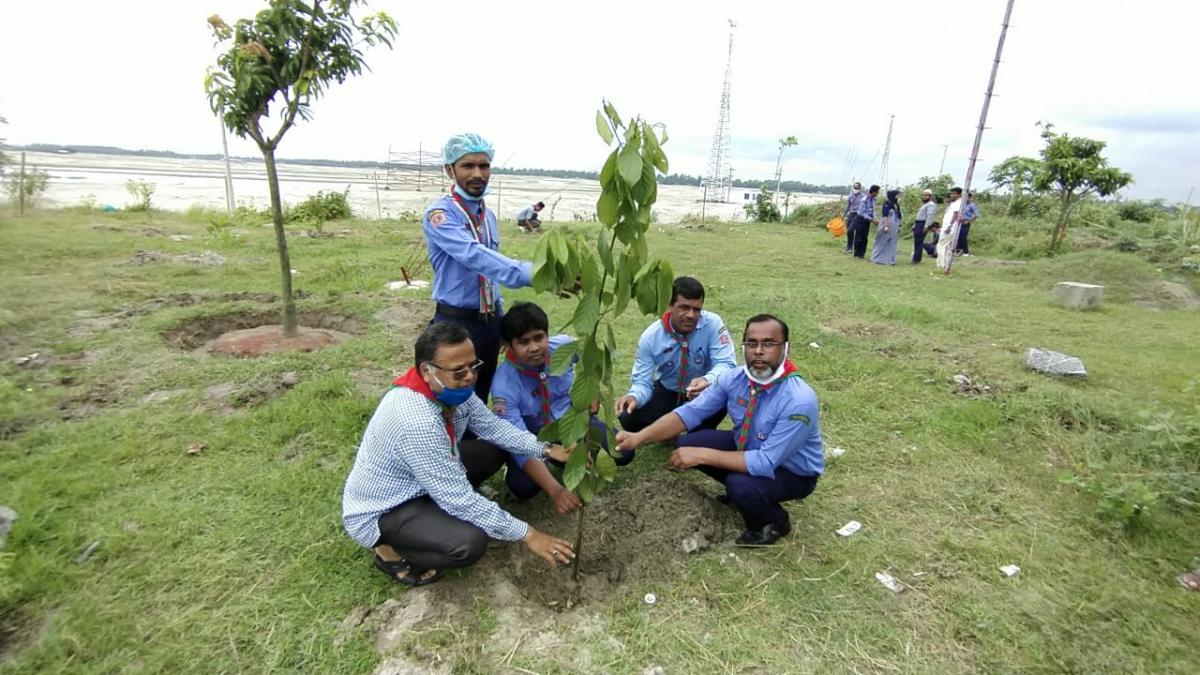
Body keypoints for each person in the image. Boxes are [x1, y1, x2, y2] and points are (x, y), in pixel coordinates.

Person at [341, 322, 576, 587]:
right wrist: (530, 534)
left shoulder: (449, 390)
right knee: (469, 543)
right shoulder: (417, 422)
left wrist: (546, 449)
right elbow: (459, 500)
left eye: (473, 366)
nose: (470, 377)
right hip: (389, 505)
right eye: (459, 371)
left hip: (422, 478)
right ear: (427, 371)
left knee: (492, 450)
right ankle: (389, 551)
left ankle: (434, 515)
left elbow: (493, 427)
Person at [616, 314, 823, 546]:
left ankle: (773, 521)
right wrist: (638, 438)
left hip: (791, 471)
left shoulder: (799, 400)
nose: (758, 351)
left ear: (785, 348)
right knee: (688, 443)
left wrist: (701, 455)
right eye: (751, 343)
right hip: (748, 445)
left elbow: (765, 461)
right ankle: (747, 492)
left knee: (738, 485)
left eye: (768, 344)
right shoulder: (734, 379)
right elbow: (690, 412)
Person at [424, 133, 534, 400]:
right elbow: (474, 255)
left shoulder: (488, 215)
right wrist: (533, 273)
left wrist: (500, 317)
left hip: (489, 321)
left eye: (484, 166)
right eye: (468, 166)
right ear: (449, 170)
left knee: (481, 392)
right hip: (456, 321)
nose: (477, 174)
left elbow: (491, 269)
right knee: (452, 395)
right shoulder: (440, 216)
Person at [491, 302, 612, 508]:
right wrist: (556, 490)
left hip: (571, 424)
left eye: (539, 337)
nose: (534, 347)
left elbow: (590, 357)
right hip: (533, 438)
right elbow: (516, 439)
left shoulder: (564, 346)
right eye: (524, 342)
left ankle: (568, 459)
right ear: (509, 345)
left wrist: (591, 389)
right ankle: (543, 464)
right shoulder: (503, 386)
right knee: (523, 487)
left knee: (621, 451)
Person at [614, 277, 738, 444]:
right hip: (669, 391)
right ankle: (672, 431)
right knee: (628, 416)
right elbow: (642, 382)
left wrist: (707, 380)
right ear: (669, 305)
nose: (691, 315)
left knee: (724, 391)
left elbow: (727, 364)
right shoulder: (651, 337)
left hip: (702, 393)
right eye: (684, 307)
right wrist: (634, 396)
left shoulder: (712, 324)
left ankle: (694, 435)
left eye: (697, 309)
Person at [936, 187, 963, 275]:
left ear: (959, 194)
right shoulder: (954, 203)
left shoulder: (958, 203)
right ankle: (946, 265)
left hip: (951, 228)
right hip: (948, 227)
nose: (951, 195)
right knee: (947, 247)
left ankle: (942, 264)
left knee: (941, 245)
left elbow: (956, 215)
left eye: (954, 194)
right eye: (951, 193)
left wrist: (949, 226)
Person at [871, 188, 901, 265]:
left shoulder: (896, 205)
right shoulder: (887, 204)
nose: (898, 197)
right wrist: (886, 226)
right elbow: (885, 216)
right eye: (897, 195)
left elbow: (898, 216)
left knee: (892, 243)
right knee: (882, 241)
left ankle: (889, 260)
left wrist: (899, 227)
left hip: (894, 226)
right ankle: (877, 258)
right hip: (886, 225)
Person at [849, 185, 880, 259]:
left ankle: (862, 253)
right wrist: (871, 219)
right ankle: (857, 253)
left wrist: (875, 218)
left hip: (867, 220)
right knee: (859, 237)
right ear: (874, 192)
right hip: (861, 219)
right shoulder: (864, 199)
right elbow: (861, 212)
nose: (878, 193)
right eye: (877, 192)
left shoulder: (873, 200)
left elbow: (872, 211)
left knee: (865, 237)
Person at [911, 189, 938, 264]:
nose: (924, 197)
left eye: (926, 195)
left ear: (930, 196)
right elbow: (919, 216)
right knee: (917, 241)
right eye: (923, 195)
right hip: (918, 223)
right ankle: (916, 258)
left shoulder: (931, 205)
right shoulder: (925, 204)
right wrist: (915, 225)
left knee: (919, 242)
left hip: (922, 223)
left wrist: (926, 226)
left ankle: (916, 259)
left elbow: (930, 216)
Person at [955, 192, 980, 256]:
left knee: (963, 236)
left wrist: (968, 221)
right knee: (957, 236)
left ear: (970, 198)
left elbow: (976, 215)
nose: (966, 199)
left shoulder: (972, 205)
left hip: (965, 222)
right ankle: (958, 250)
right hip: (958, 222)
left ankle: (965, 252)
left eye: (968, 197)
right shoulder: (961, 205)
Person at [842, 182, 863, 254]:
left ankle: (856, 248)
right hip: (851, 214)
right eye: (855, 188)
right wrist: (844, 214)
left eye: (857, 188)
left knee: (854, 231)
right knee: (849, 231)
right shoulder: (851, 196)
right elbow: (848, 206)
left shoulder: (862, 197)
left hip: (858, 214)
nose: (855, 189)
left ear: (860, 188)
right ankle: (849, 246)